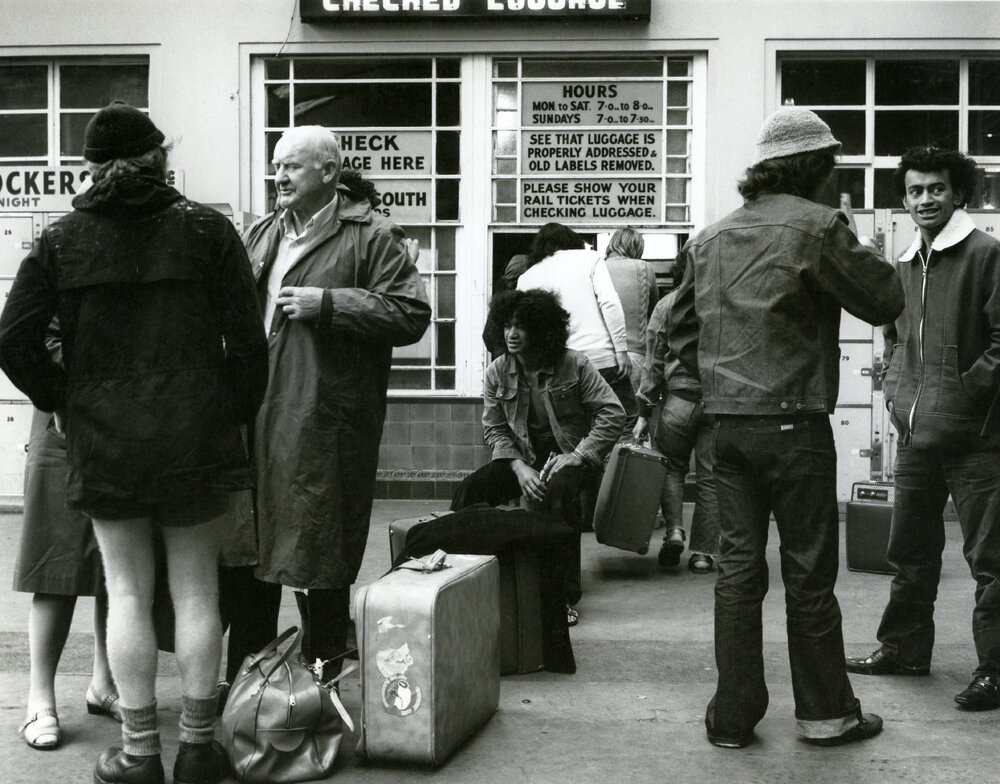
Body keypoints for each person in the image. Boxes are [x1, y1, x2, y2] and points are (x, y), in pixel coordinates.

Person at [0, 101, 269, 784]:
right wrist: (227, 414)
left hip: (106, 438)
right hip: (196, 435)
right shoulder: (209, 230)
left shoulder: (62, 239)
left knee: (124, 590)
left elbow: (13, 339)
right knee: (198, 590)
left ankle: (141, 753)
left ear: (91, 168)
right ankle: (202, 750)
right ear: (160, 156)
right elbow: (249, 344)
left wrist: (64, 399)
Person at [668, 108, 904, 748]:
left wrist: (717, 381)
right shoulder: (821, 227)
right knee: (807, 574)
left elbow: (676, 328)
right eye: (832, 168)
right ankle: (827, 714)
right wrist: (853, 234)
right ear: (816, 169)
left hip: (726, 430)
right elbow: (885, 300)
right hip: (795, 426)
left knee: (738, 575)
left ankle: (732, 719)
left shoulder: (711, 237)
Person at [241, 125, 430, 686]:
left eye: (291, 167)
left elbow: (410, 315)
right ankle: (248, 695)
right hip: (255, 419)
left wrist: (328, 303)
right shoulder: (261, 234)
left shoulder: (372, 237)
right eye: (276, 165)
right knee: (251, 561)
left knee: (318, 555)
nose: (278, 175)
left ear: (327, 172)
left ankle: (322, 689)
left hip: (322, 424)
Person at [845, 147, 1000, 712]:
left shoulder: (987, 254)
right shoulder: (907, 263)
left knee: (992, 561)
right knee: (909, 550)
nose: (925, 199)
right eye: (915, 191)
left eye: (936, 188)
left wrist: (965, 391)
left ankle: (996, 670)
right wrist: (894, 388)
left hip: (976, 439)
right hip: (915, 436)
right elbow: (893, 338)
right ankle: (904, 650)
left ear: (959, 192)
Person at [451, 288, 625, 626]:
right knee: (471, 490)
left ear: (542, 329)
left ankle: (559, 597)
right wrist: (518, 467)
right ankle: (459, 580)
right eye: (507, 325)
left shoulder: (574, 363)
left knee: (556, 495)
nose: (512, 334)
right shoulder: (497, 372)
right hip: (521, 456)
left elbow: (612, 413)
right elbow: (495, 430)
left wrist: (578, 455)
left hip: (573, 456)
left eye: (522, 326)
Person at [15, 393, 121, 751]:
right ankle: (39, 700)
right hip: (63, 413)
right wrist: (55, 393)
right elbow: (23, 341)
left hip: (123, 412)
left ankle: (104, 684)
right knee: (57, 564)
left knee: (118, 568)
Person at [633, 251, 718, 574]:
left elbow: (652, 363)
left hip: (677, 402)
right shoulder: (720, 304)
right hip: (715, 401)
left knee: (671, 468)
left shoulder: (667, 306)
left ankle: (674, 532)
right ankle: (703, 554)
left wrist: (644, 411)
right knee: (710, 478)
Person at [517, 222, 636, 427]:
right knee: (623, 424)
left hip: (560, 366)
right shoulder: (589, 258)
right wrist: (621, 350)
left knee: (575, 434)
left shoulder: (526, 277)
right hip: (603, 360)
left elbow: (526, 330)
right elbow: (609, 302)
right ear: (572, 240)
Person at [603, 227, 659, 391]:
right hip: (634, 353)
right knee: (632, 413)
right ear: (636, 247)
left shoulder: (597, 268)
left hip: (602, 352)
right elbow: (655, 313)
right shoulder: (644, 268)